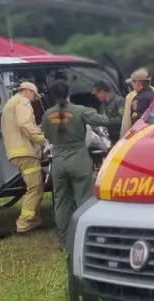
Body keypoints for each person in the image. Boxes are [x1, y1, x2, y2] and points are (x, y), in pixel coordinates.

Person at [40, 79, 110, 247]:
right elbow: (103, 121)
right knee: (84, 199)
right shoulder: (80, 110)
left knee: (61, 201)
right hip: (78, 160)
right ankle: (86, 241)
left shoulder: (47, 114)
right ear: (68, 92)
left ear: (54, 96)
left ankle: (64, 241)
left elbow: (47, 135)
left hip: (58, 162)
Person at [1, 81, 47, 233]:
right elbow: (25, 124)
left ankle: (33, 219)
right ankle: (24, 223)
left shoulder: (11, 103)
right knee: (35, 187)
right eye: (34, 95)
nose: (34, 99)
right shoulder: (23, 101)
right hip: (25, 152)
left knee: (34, 185)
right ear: (27, 91)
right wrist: (42, 139)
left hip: (16, 152)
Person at [120, 67, 154, 138]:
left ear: (138, 83)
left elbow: (136, 120)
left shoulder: (138, 99)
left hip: (142, 135)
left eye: (132, 83)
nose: (132, 86)